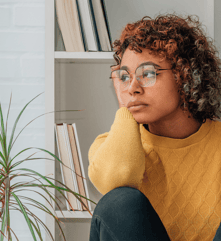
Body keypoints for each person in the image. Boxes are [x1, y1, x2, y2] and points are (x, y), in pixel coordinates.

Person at [88, 13, 221, 241]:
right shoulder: (107, 147)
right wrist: (125, 106)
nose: (133, 88)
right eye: (124, 77)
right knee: (120, 203)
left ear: (185, 75)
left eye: (148, 74)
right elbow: (115, 183)